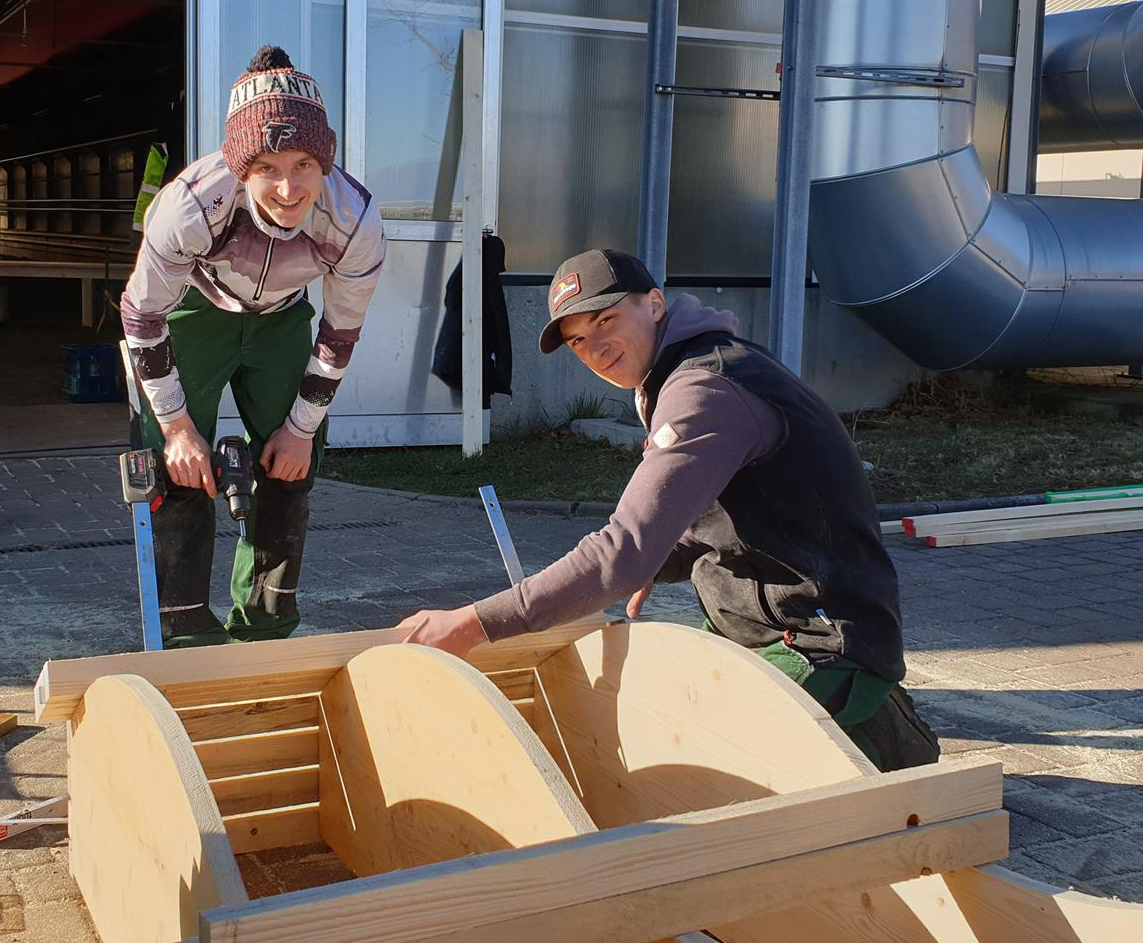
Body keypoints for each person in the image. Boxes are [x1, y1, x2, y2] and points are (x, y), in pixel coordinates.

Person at [398, 249, 938, 771]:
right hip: (758, 621)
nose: (595, 348)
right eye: (578, 340)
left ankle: (875, 727)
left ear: (654, 303)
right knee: (663, 726)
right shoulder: (689, 370)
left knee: (705, 778)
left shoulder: (705, 387)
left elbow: (620, 553)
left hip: (819, 638)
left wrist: (472, 624)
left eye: (605, 320)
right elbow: (739, 517)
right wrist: (660, 557)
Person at [122, 45, 386, 648]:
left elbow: (339, 334)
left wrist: (298, 430)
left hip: (283, 318)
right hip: (194, 310)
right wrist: (177, 428)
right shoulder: (188, 204)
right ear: (240, 168)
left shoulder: (355, 221)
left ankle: (266, 626)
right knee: (178, 468)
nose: (288, 188)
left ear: (326, 163)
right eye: (267, 166)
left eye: (304, 165)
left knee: (292, 464)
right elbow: (141, 315)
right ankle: (183, 628)